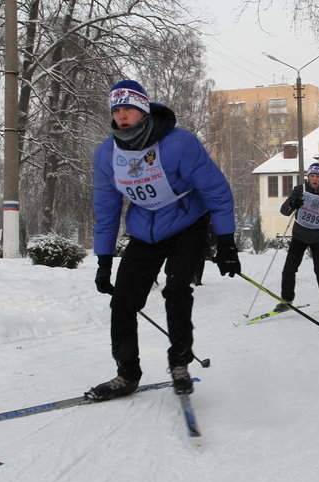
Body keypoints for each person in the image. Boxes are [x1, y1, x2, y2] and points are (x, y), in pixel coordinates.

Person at [89, 80, 240, 400]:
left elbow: (217, 190)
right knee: (123, 302)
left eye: (128, 108)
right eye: (116, 110)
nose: (122, 115)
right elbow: (106, 210)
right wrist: (103, 261)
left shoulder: (178, 143)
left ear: (143, 110)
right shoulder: (107, 155)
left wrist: (226, 241)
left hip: (188, 223)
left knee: (177, 288)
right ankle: (126, 374)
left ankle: (180, 364)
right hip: (145, 229)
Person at [273, 162, 319, 319]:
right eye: (312, 176)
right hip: (300, 235)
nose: (314, 179)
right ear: (308, 177)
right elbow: (284, 211)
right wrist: (293, 203)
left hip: (318, 237)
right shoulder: (300, 190)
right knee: (289, 269)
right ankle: (286, 300)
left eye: (317, 176)